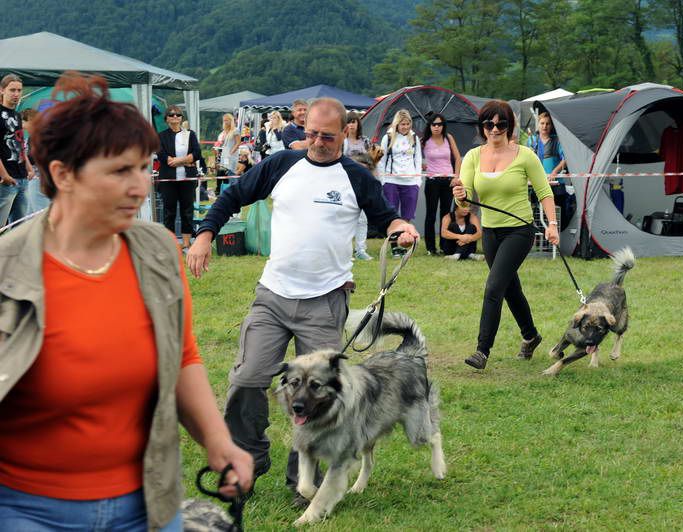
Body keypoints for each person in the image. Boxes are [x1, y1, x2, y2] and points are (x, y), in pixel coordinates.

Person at [0, 72, 252, 531]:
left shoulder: (157, 249)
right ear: (62, 174)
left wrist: (219, 441)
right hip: (25, 511)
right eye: (120, 171)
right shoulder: (8, 269)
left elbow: (183, 355)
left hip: (149, 504)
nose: (140, 186)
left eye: (144, 167)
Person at [185, 97, 418, 504]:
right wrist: (205, 233)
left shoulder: (354, 177)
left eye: (326, 136)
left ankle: (302, 482)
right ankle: (247, 462)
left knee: (317, 397)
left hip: (324, 302)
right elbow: (232, 195)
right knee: (247, 378)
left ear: (344, 132)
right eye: (310, 133)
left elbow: (385, 216)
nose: (316, 142)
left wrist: (401, 227)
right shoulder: (282, 165)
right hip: (272, 296)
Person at [453, 100, 558, 370]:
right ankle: (531, 336)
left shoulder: (525, 155)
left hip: (519, 230)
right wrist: (461, 198)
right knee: (511, 288)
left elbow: (545, 192)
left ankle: (482, 351)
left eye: (501, 124)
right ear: (483, 127)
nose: (495, 129)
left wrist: (552, 224)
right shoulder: (473, 157)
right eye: (490, 124)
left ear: (509, 126)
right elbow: (464, 203)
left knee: (494, 286)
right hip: (490, 232)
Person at [156, 105, 202, 251]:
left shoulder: (190, 134)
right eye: (171, 115)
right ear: (166, 119)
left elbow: (197, 153)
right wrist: (185, 160)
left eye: (178, 115)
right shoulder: (161, 136)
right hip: (168, 179)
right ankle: (170, 243)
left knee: (187, 210)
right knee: (169, 211)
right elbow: (163, 157)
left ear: (182, 118)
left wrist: (177, 161)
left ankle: (187, 244)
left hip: (187, 179)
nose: (175, 117)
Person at [378, 109, 422, 257]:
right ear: (397, 124)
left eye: (408, 124)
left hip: (410, 182)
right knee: (393, 216)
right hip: (391, 180)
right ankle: (395, 247)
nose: (405, 127)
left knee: (407, 216)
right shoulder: (388, 137)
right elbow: (381, 160)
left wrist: (417, 181)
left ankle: (404, 244)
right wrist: (383, 180)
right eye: (402, 124)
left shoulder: (414, 138)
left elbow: (418, 160)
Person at [421, 113, 461, 255]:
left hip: (448, 181)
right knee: (431, 215)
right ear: (430, 126)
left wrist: (456, 177)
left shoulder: (448, 138)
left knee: (446, 215)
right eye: (434, 124)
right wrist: (421, 165)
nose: (437, 127)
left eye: (439, 124)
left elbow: (457, 158)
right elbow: (412, 157)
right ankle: (430, 248)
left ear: (443, 126)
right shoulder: (424, 140)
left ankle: (445, 246)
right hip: (432, 181)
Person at [0, 74, 34, 226]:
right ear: (2, 90)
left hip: (22, 178)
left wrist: (29, 167)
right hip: (5, 180)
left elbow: (19, 143)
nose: (16, 94)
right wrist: (4, 175)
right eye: (12, 90)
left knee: (20, 227)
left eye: (19, 90)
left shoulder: (17, 116)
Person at [528, 111, 573, 224]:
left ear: (551, 125)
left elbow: (566, 159)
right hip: (536, 185)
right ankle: (540, 241)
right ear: (538, 124)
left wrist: (554, 172)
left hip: (557, 185)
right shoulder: (532, 141)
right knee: (537, 217)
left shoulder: (557, 140)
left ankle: (555, 241)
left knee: (557, 218)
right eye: (542, 123)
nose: (545, 126)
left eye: (548, 123)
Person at [343, 111, 373, 260]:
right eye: (349, 122)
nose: (351, 125)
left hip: (363, 182)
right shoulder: (342, 141)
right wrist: (357, 163)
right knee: (346, 217)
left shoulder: (365, 141)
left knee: (363, 219)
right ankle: (346, 250)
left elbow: (372, 159)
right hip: (346, 182)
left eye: (354, 122)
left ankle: (361, 249)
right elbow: (341, 160)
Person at [21, 108, 50, 214]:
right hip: (35, 179)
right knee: (30, 216)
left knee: (40, 214)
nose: (21, 124)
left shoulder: (40, 137)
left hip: (39, 179)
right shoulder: (30, 138)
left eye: (23, 121)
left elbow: (37, 158)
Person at [217, 113, 241, 194]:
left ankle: (236, 191)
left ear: (231, 121)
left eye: (227, 120)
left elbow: (238, 143)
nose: (225, 122)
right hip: (225, 155)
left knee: (232, 173)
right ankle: (232, 191)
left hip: (232, 155)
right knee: (227, 173)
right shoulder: (225, 131)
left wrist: (231, 152)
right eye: (224, 120)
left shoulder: (235, 130)